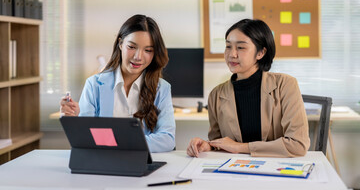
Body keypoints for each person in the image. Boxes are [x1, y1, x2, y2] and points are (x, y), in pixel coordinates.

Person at [187, 19, 310, 158]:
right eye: (228, 46)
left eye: (240, 47)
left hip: (276, 169)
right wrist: (208, 145)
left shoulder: (286, 85)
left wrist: (240, 147)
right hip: (236, 171)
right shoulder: (216, 95)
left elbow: (298, 145)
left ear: (260, 53)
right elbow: (221, 144)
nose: (232, 54)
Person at [60, 14, 175, 153]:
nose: (138, 57)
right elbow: (86, 136)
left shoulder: (162, 88)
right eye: (132, 47)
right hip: (104, 163)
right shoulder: (94, 85)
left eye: (148, 50)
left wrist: (118, 141)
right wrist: (71, 118)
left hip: (143, 164)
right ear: (120, 44)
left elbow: (167, 139)